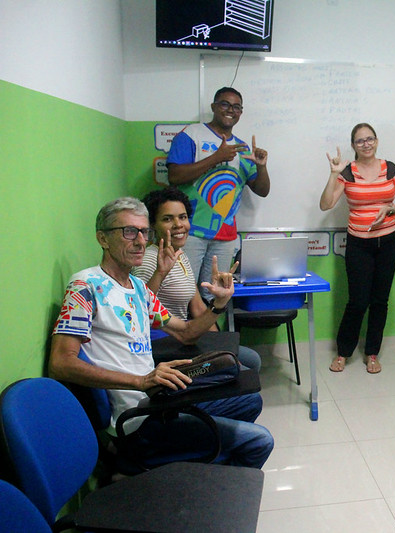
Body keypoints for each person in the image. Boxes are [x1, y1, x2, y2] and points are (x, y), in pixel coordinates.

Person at [49, 197, 274, 469]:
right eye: (129, 232)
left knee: (248, 401)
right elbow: (61, 363)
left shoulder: (138, 288)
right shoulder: (85, 286)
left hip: (159, 402)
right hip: (136, 421)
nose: (140, 241)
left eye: (144, 232)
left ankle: (196, 465)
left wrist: (219, 303)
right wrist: (141, 381)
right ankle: (200, 479)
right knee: (259, 440)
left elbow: (187, 333)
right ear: (103, 239)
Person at [132, 187, 262, 372]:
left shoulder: (179, 254)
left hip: (188, 336)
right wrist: (224, 359)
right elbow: (140, 310)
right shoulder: (149, 261)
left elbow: (199, 308)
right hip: (165, 346)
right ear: (152, 224)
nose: (178, 224)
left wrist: (221, 349)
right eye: (167, 219)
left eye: (183, 217)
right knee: (243, 371)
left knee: (252, 359)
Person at [320, 123, 395, 374]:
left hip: (389, 243)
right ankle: (343, 352)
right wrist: (333, 174)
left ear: (377, 141)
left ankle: (372, 353)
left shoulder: (390, 168)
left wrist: (389, 208)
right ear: (353, 145)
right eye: (360, 141)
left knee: (380, 301)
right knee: (358, 301)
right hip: (359, 244)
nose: (366, 144)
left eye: (370, 139)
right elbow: (326, 205)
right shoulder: (347, 172)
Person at [167, 86, 270, 301]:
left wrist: (261, 166)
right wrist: (216, 157)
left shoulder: (242, 148)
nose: (230, 110)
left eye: (236, 107)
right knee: (181, 293)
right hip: (190, 231)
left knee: (215, 295)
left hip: (225, 236)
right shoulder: (191, 135)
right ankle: (185, 335)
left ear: (241, 112)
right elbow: (174, 176)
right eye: (225, 104)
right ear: (214, 107)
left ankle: (210, 334)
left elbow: (262, 190)